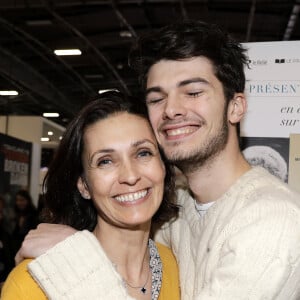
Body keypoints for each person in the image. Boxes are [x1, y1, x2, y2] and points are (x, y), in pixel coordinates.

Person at [14, 20, 300, 299]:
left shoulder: (274, 220)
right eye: (156, 98)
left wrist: (75, 259)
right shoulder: (176, 212)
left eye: (193, 92)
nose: (172, 109)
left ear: (235, 107)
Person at [1, 92, 180, 300]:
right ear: (84, 185)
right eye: (105, 161)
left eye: (143, 153)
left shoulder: (177, 268)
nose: (130, 176)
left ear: (163, 167)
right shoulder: (33, 284)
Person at [11, 189, 39, 257]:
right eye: (17, 200)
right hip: (16, 250)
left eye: (22, 200)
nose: (19, 203)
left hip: (28, 250)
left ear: (28, 201)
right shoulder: (16, 214)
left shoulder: (34, 215)